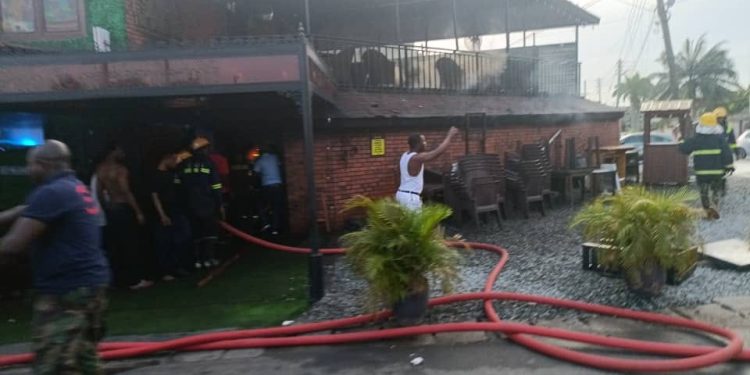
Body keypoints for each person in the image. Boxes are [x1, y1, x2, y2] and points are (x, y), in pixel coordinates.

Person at [0, 140, 110, 374]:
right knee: (83, 360)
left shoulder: (51, 193)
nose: (28, 170)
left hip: (66, 293)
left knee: (52, 365)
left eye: (29, 165)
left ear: (42, 164)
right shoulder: (72, 187)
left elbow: (12, 246)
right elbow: (23, 210)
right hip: (89, 285)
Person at [96, 144, 153, 290]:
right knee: (131, 243)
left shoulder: (101, 169)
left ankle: (118, 279)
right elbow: (125, 191)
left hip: (111, 209)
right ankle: (134, 279)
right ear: (114, 152)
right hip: (123, 207)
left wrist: (105, 207)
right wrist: (138, 211)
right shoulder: (120, 170)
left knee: (116, 245)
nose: (123, 152)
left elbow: (99, 192)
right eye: (120, 150)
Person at [678, 113, 734, 219]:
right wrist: (729, 166)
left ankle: (707, 209)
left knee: (703, 192)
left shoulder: (696, 139)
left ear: (701, 125)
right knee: (715, 191)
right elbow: (727, 153)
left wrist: (680, 139)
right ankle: (715, 206)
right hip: (717, 172)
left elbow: (683, 148)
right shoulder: (719, 139)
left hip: (701, 173)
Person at [179, 137, 224, 269]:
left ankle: (197, 260)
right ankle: (209, 259)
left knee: (196, 233)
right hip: (207, 204)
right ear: (203, 149)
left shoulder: (185, 163)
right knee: (210, 233)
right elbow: (216, 185)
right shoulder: (208, 163)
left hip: (190, 205)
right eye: (207, 148)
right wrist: (219, 204)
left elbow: (179, 185)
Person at [151, 151, 192, 280]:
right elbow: (155, 196)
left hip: (176, 209)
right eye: (173, 159)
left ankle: (177, 266)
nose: (176, 162)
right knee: (165, 241)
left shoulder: (172, 174)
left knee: (182, 237)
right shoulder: (156, 176)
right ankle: (167, 271)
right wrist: (162, 214)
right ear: (166, 158)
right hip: (166, 210)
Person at [396, 127, 460, 210]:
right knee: (417, 223)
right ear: (418, 143)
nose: (426, 143)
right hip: (410, 197)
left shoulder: (404, 156)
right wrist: (449, 136)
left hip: (401, 194)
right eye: (424, 141)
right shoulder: (416, 158)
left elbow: (397, 173)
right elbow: (437, 152)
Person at [253, 144, 284, 235]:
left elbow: (255, 174)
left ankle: (265, 222)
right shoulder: (275, 157)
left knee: (261, 205)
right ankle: (275, 229)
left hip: (266, 186)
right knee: (276, 207)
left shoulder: (259, 161)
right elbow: (280, 166)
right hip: (277, 185)